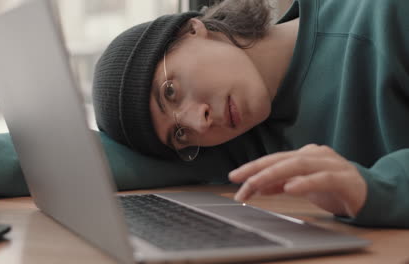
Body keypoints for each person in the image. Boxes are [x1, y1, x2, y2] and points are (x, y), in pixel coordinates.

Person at [92, 0, 409, 228]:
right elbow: (91, 160)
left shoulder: (387, 16)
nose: (196, 122)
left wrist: (375, 190)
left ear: (191, 29)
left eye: (170, 91)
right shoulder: (237, 144)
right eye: (179, 134)